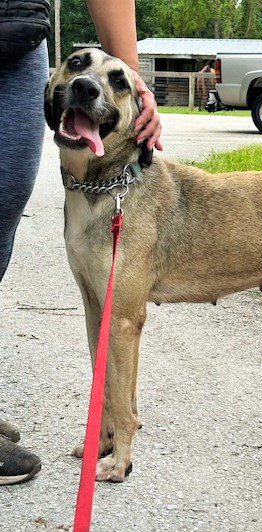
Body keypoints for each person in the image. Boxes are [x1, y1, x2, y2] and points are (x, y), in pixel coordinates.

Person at [0, 0, 162, 486]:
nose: (87, 81)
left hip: (15, 37)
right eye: (76, 67)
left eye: (112, 84)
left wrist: (135, 80)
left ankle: (113, 424)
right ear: (58, 81)